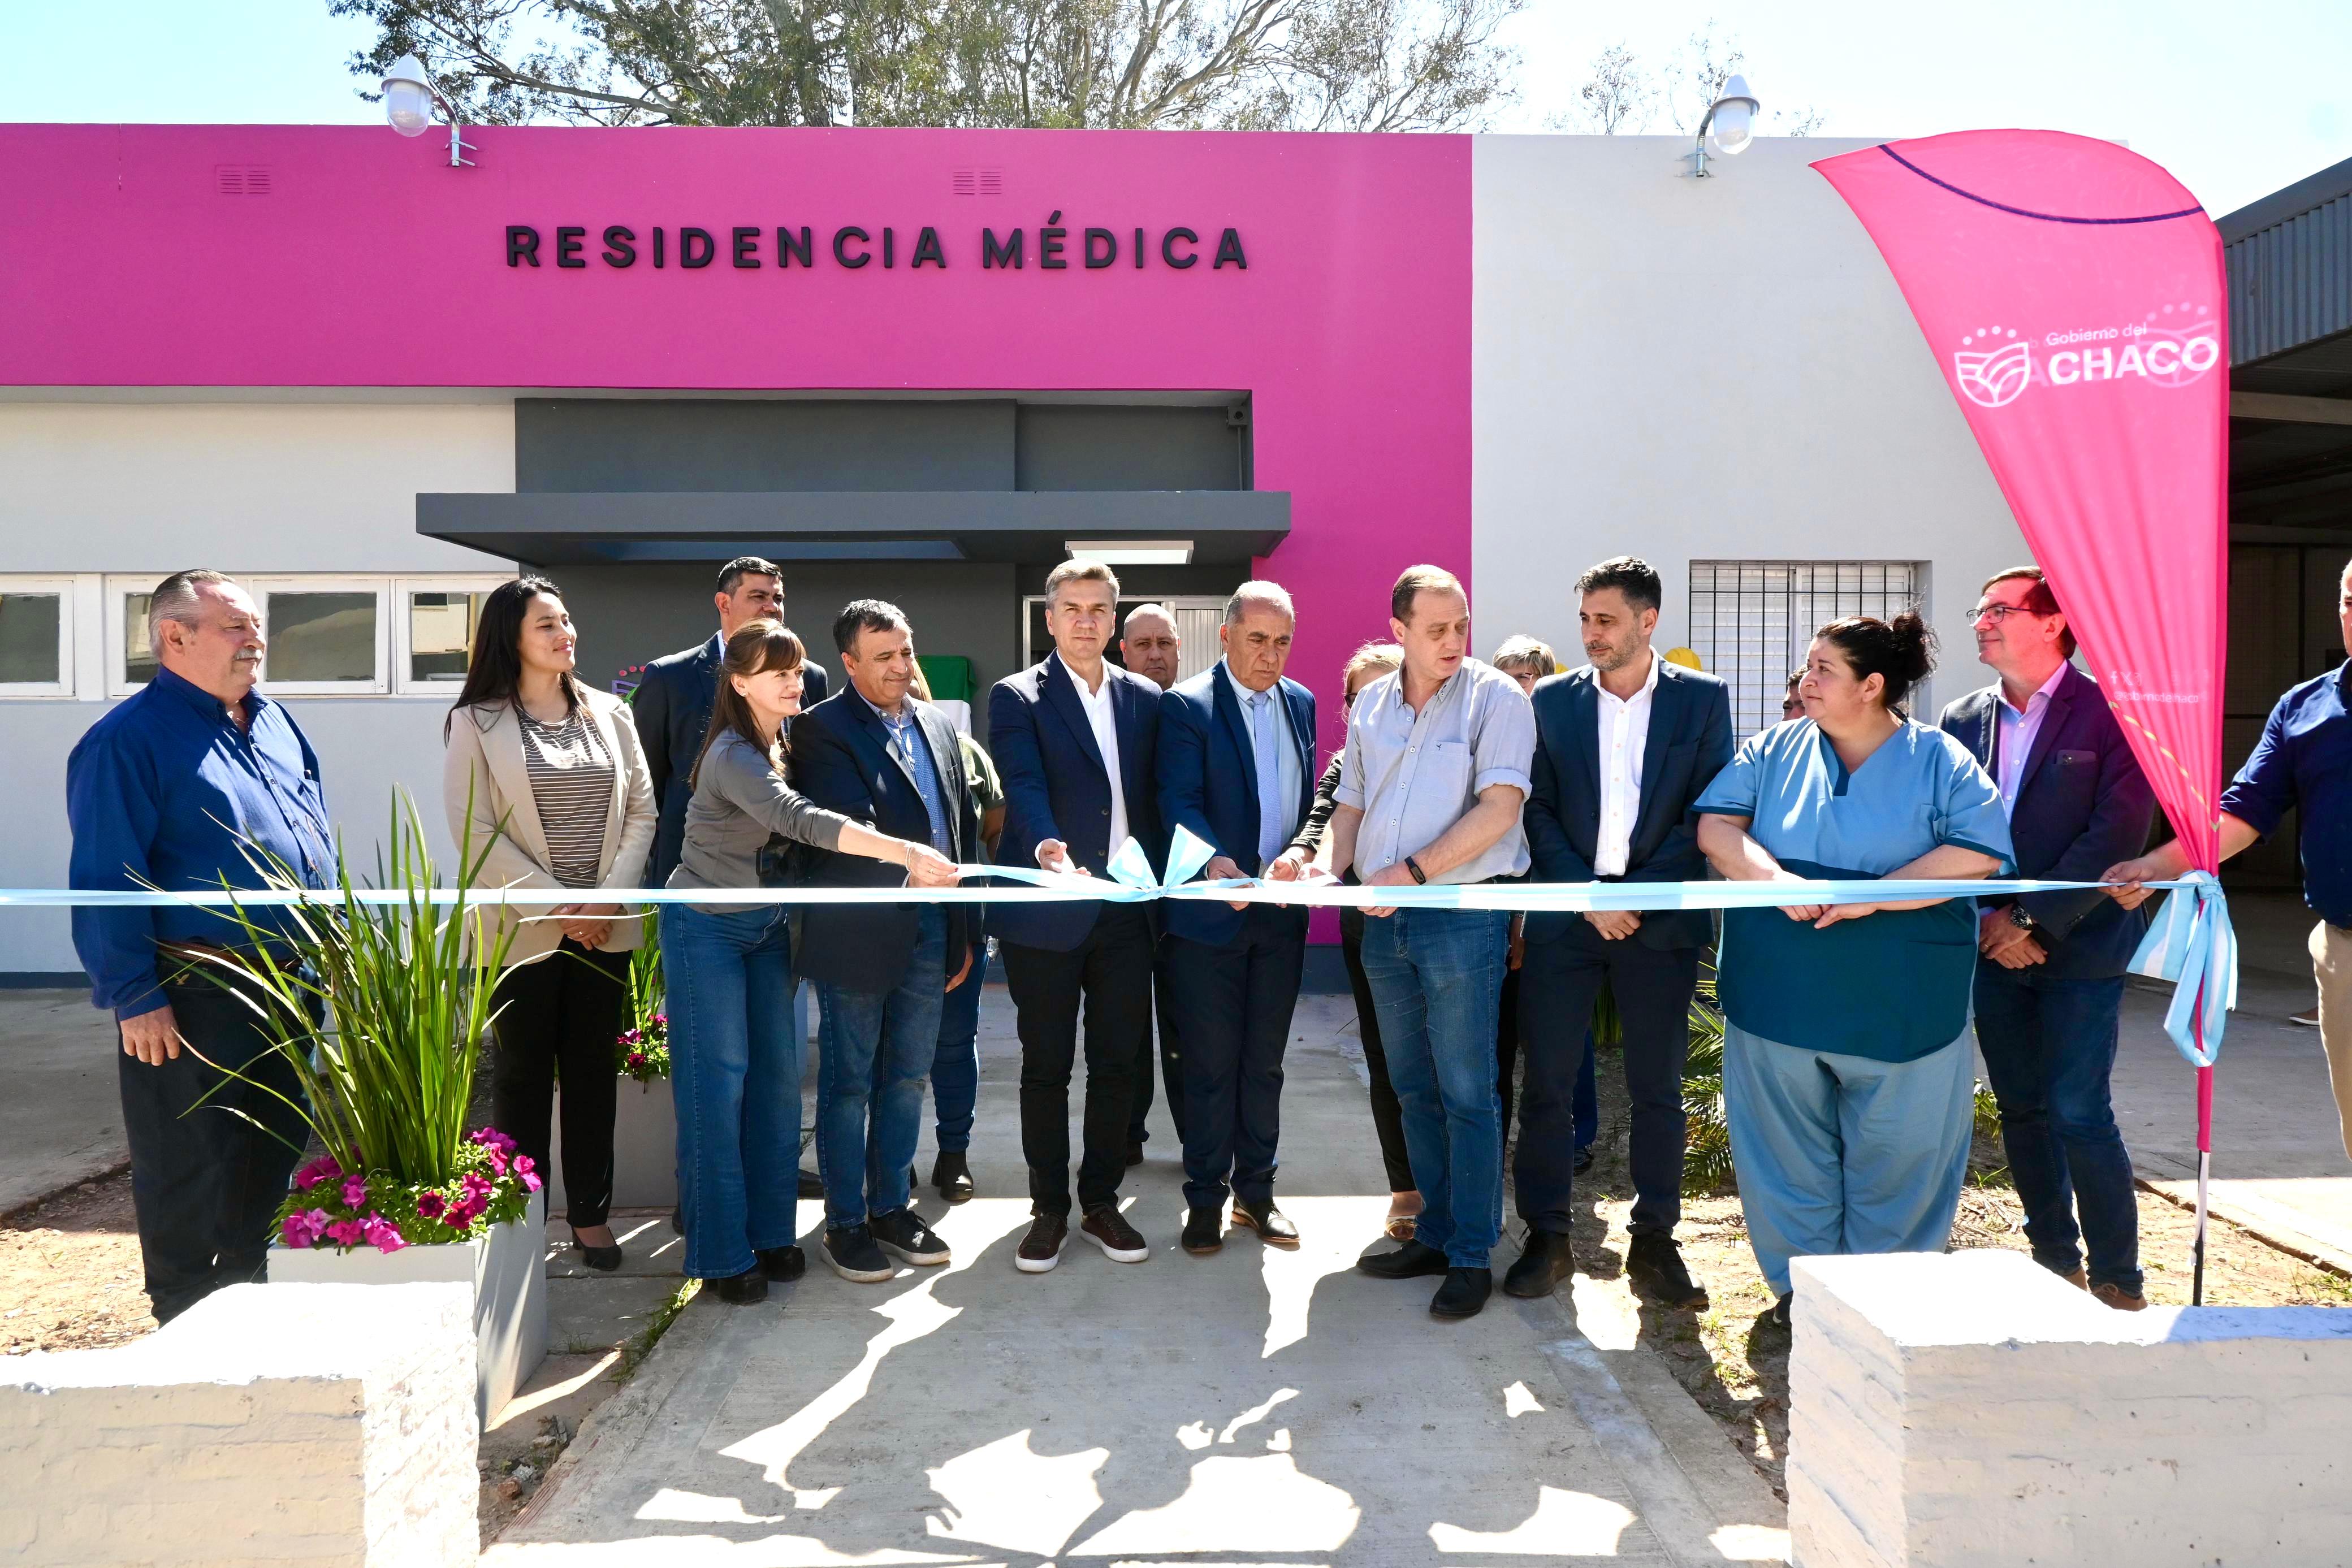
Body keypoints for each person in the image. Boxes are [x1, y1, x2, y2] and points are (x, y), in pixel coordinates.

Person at [1694, 612, 2012, 1328]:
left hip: (1904, 1005)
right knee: (1783, 1155)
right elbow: (1716, 826)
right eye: (1808, 667)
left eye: (1822, 670)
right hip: (1777, 996)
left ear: (1871, 686)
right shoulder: (1771, 749)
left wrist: (1875, 895)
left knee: (1901, 1155)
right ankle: (1802, 1296)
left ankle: (1880, 1303)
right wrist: (1771, 877)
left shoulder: (1941, 759)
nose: (1805, 681)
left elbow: (1977, 851)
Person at [66, 570, 336, 1326]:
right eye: (235, 626)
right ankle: (182, 1319)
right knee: (186, 1163)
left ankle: (248, 1306)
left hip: (288, 985)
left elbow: (313, 834)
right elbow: (104, 875)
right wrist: (134, 992)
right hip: (193, 992)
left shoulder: (275, 723)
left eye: (257, 625)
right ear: (175, 636)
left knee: (268, 1153)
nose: (256, 639)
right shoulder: (127, 741)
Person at [664, 620, 958, 1304]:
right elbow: (800, 818)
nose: (794, 682)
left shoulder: (786, 741)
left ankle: (773, 1236)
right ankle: (720, 1253)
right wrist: (905, 853)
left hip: (770, 927)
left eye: (797, 670)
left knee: (776, 1087)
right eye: (777, 672)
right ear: (740, 683)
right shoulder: (733, 753)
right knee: (717, 1087)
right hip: (706, 927)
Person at [1939, 567, 2157, 1311]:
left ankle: (2118, 1277)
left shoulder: (2112, 712)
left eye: (1998, 609)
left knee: (2078, 1110)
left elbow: (2116, 831)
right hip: (1991, 945)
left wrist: (2028, 919)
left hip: (2082, 945)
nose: (1981, 622)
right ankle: (2054, 1260)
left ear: (2053, 622)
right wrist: (1988, 920)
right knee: (2022, 1109)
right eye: (1980, 610)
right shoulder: (1962, 719)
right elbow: (1948, 829)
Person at [1322, 564, 1536, 1320]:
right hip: (1384, 921)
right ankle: (1436, 1233)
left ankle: (1472, 1253)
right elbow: (1349, 807)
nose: (1453, 641)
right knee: (1412, 1085)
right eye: (1436, 629)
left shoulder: (1497, 699)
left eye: (1460, 626)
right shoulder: (1371, 704)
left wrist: (1408, 873)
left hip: (1460, 917)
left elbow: (1499, 810)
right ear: (1399, 631)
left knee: (1467, 1091)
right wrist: (1319, 870)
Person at [1516, 560, 1732, 1306]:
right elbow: (1535, 805)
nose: (1590, 633)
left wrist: (1630, 897)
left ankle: (1655, 1242)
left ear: (1648, 620)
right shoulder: (1552, 699)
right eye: (1584, 618)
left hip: (1658, 922)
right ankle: (1546, 1237)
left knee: (1657, 1089)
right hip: (1567, 919)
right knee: (1546, 1085)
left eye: (1604, 619)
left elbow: (1706, 810)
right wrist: (1587, 896)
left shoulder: (1701, 698)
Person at [442, 577, 658, 1274]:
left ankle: (590, 1215)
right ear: (510, 636)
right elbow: (474, 832)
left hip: (605, 926)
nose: (566, 633)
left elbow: (642, 813)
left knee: (593, 1071)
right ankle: (522, 1220)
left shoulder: (611, 712)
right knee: (523, 1074)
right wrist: (564, 906)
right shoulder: (475, 722)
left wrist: (603, 903)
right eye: (547, 624)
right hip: (520, 929)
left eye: (566, 620)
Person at [2106, 556, 2352, 1159]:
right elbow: (2243, 812)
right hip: (2344, 947)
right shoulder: (2305, 709)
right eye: (2351, 602)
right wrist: (2156, 866)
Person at [791, 601, 984, 1282]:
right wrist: (908, 867)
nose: (902, 666)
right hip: (858, 931)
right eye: (884, 657)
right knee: (848, 1081)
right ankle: (845, 1222)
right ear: (848, 662)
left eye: (906, 651)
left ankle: (891, 1208)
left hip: (932, 926)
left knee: (907, 1076)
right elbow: (845, 828)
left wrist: (964, 928)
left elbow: (959, 828)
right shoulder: (819, 729)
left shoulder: (938, 723)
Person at [634, 556, 832, 1203]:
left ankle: (768, 1191)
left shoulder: (808, 679)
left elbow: (803, 788)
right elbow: (649, 792)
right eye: (757, 596)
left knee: (777, 1066)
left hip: (776, 906)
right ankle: (703, 1203)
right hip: (702, 908)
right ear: (723, 603)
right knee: (713, 1068)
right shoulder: (669, 677)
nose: (771, 605)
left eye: (777, 596)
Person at [989, 559, 1166, 1274]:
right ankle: (1048, 1208)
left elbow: (1158, 795)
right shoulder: (1017, 695)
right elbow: (1023, 782)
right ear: (1050, 618)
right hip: (1047, 907)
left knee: (1118, 1061)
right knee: (1046, 1065)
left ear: (1112, 619)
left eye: (1098, 608)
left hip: (1125, 909)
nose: (1085, 620)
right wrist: (1045, 847)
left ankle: (1099, 1201)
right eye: (1072, 608)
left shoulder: (1146, 697)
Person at [1158, 582, 1317, 1254]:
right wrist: (1212, 860)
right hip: (1208, 917)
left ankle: (1257, 1193)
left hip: (1279, 915)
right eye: (1257, 639)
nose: (1270, 655)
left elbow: (1312, 803)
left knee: (1264, 1063)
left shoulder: (1301, 702)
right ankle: (1204, 1198)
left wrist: (1302, 853)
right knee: (1209, 1064)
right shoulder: (1186, 705)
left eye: (1282, 642)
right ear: (1225, 637)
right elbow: (1176, 799)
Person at [1285, 642, 1420, 1240]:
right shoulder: (1346, 762)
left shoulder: (1446, 755)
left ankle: (1463, 1191)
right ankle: (1407, 1190)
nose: (1372, 704)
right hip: (1369, 929)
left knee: (1455, 1067)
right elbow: (1323, 818)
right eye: (1358, 696)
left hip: (1448, 930)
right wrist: (1303, 860)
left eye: (1386, 689)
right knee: (1387, 1058)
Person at [1489, 635, 1598, 1179]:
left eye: (1526, 676)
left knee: (1566, 1034)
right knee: (1502, 1038)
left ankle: (1577, 1137)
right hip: (1501, 911)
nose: (1517, 687)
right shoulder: (1492, 740)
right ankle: (1501, 1140)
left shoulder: (1565, 741)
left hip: (1558, 914)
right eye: (1507, 677)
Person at [907, 660, 1005, 1204]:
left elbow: (994, 830)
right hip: (887, 924)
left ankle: (953, 1155)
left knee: (952, 1043)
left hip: (959, 922)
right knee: (885, 1052)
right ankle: (893, 1159)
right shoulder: (858, 748)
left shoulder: (966, 754)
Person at [1118, 602, 1188, 1159]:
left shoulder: (1194, 710)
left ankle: (1198, 1141)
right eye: (1143, 644)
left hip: (1188, 893)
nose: (1155, 654)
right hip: (1125, 894)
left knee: (1188, 1024)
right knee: (1127, 1025)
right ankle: (1127, 1134)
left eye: (1164, 643)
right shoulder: (1113, 714)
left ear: (1179, 650)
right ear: (1123, 652)